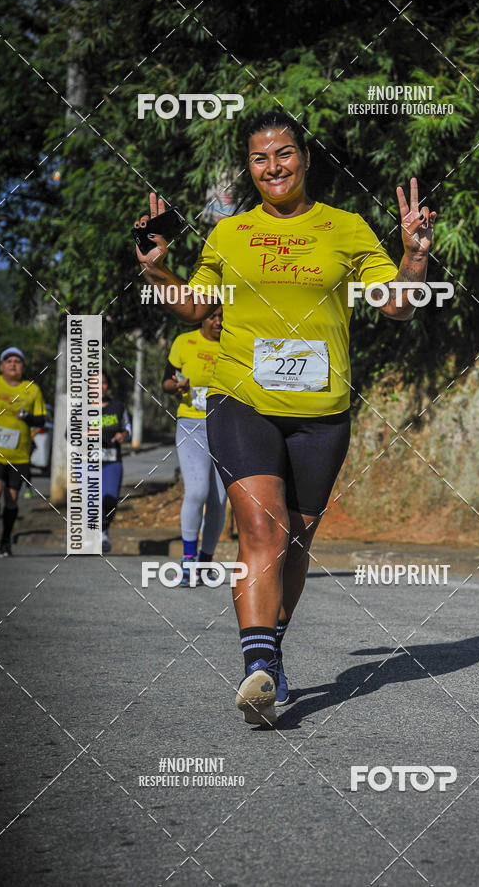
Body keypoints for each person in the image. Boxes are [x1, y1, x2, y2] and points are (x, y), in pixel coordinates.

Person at [135, 110, 437, 726]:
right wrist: (158, 269)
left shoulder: (346, 228)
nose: (273, 166)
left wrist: (412, 256)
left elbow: (398, 307)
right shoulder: (230, 233)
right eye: (259, 158)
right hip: (240, 400)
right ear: (250, 168)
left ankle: (270, 652)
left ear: (305, 158)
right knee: (262, 529)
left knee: (296, 542)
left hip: (321, 411)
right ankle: (258, 669)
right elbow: (195, 307)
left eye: (284, 153)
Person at [162, 307, 227, 586]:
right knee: (198, 490)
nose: (218, 321)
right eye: (213, 316)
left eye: (223, 316)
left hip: (226, 427)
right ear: (203, 317)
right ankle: (188, 559)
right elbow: (166, 381)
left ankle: (205, 561)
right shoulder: (184, 342)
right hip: (192, 425)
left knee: (219, 500)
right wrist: (176, 387)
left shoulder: (234, 344)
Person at [0, 347, 46, 556]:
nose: (13, 364)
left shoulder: (32, 389)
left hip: (19, 455)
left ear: (23, 367)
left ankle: (5, 540)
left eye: (17, 361)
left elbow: (41, 420)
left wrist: (27, 417)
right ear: (2, 366)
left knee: (12, 500)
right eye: (8, 360)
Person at [99, 372, 131, 554]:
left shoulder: (118, 407)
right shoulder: (81, 408)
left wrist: (122, 435)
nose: (99, 387)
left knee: (110, 498)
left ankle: (103, 533)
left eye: (103, 383)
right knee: (92, 499)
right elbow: (69, 434)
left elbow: (127, 429)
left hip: (112, 459)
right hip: (87, 462)